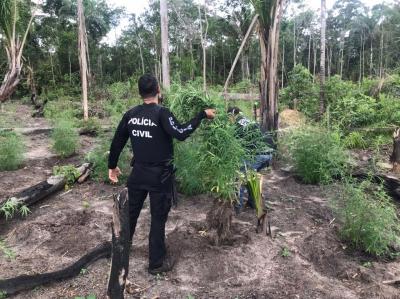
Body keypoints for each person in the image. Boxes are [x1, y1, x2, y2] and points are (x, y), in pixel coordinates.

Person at [108, 74, 215, 275]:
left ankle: (120, 252)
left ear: (139, 92)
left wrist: (112, 166)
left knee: (129, 215)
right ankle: (156, 263)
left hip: (137, 174)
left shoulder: (130, 114)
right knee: (157, 219)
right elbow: (181, 132)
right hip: (160, 177)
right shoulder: (162, 113)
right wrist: (201, 115)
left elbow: (117, 142)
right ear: (158, 89)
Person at [227, 106, 274, 212]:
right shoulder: (249, 121)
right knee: (251, 177)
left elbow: (233, 145)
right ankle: (253, 203)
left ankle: (237, 208)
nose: (229, 121)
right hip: (269, 153)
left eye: (228, 118)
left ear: (232, 116)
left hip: (258, 154)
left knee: (239, 177)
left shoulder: (237, 125)